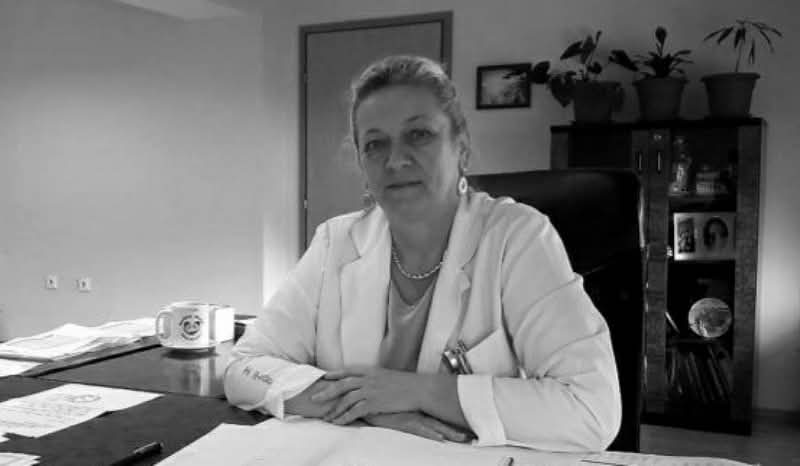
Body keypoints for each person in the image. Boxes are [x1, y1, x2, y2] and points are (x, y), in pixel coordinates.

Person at [224, 55, 621, 452]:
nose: (395, 160)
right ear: (362, 164)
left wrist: (414, 392)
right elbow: (243, 367)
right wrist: (367, 408)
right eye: (375, 144)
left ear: (461, 149)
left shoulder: (516, 237)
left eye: (419, 135)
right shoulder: (335, 242)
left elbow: (592, 409)